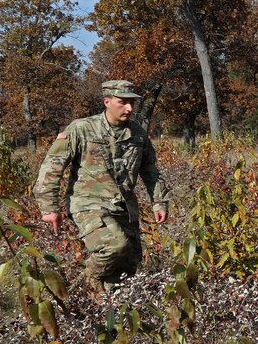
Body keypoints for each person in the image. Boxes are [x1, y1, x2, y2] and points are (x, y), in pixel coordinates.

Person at [33, 80, 169, 295]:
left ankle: (106, 312)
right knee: (115, 246)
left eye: (132, 103)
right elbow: (52, 167)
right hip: (88, 204)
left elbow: (150, 170)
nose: (129, 108)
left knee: (128, 265)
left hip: (124, 206)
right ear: (107, 102)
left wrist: (159, 202)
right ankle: (82, 284)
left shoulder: (138, 134)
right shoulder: (82, 128)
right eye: (122, 102)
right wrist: (49, 208)